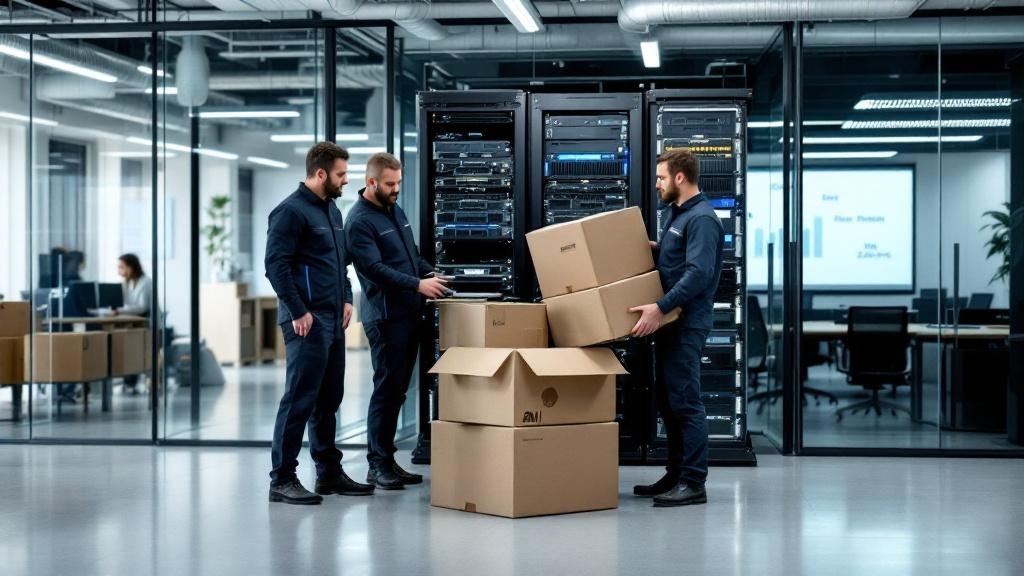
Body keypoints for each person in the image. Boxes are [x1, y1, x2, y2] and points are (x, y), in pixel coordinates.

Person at [264, 142, 375, 505]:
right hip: (305, 321)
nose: (347, 181)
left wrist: (346, 297)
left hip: (331, 318)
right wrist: (298, 310)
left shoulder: (332, 211)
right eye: (342, 174)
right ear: (321, 173)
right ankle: (282, 479)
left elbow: (340, 264)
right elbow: (275, 267)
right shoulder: (290, 213)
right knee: (298, 399)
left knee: (329, 398)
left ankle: (328, 472)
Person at [346, 152, 449, 490]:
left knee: (399, 391)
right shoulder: (359, 221)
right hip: (386, 318)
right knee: (387, 390)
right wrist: (418, 284)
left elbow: (411, 255)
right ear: (371, 182)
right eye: (390, 184)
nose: (396, 189)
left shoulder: (394, 210)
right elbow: (375, 270)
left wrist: (429, 273)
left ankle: (388, 459)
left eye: (399, 183)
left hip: (408, 313)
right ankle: (377, 465)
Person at [629, 148, 724, 508]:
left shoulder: (702, 219)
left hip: (686, 324)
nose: (657, 183)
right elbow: (675, 260)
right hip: (670, 324)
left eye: (661, 177)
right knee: (669, 403)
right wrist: (654, 248)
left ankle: (693, 482)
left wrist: (660, 307)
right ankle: (675, 473)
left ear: (680, 178)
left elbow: (698, 274)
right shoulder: (678, 214)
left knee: (685, 402)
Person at [113, 253, 152, 393]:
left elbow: (143, 306)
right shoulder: (127, 283)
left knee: (133, 350)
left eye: (122, 267)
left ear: (132, 267)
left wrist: (119, 311)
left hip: (146, 323)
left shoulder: (145, 282)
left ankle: (131, 381)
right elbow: (124, 303)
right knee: (127, 348)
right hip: (133, 322)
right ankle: (129, 381)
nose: (120, 271)